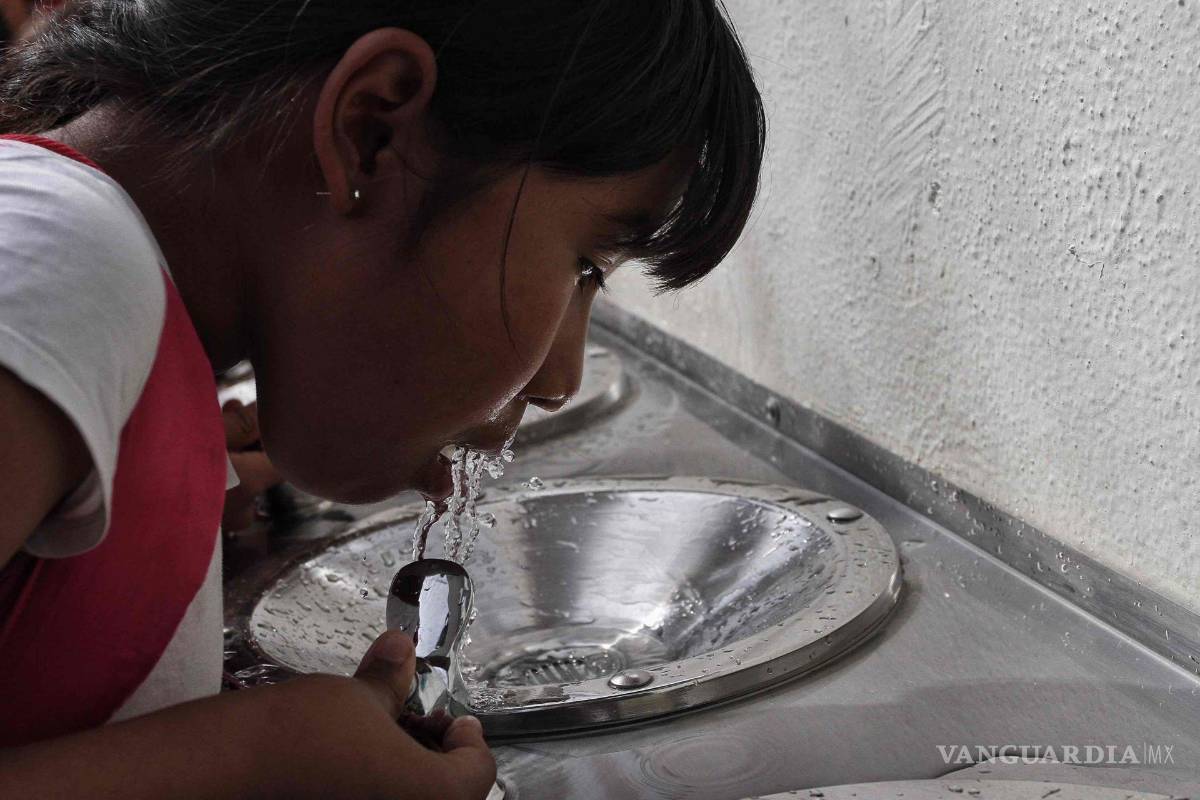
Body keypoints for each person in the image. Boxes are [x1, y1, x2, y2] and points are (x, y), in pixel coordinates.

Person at [0, 1, 765, 797]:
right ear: (372, 132)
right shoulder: (54, 267)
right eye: (584, 267)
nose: (559, 380)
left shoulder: (108, 316)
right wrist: (254, 761)